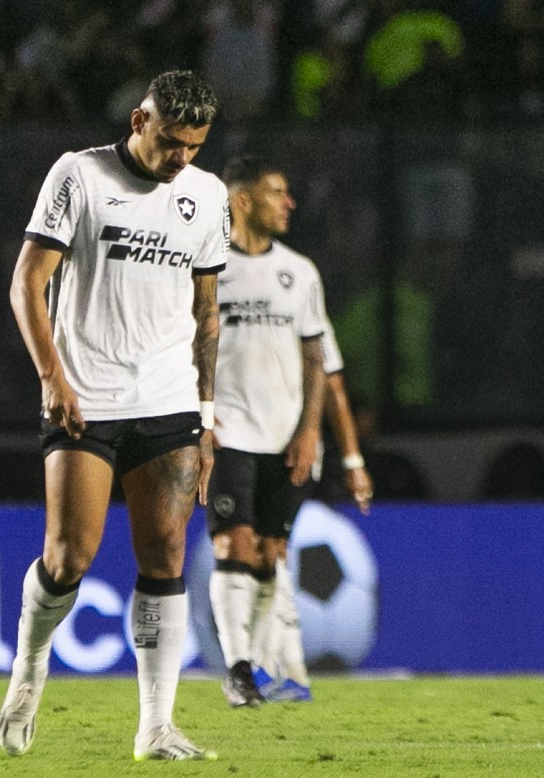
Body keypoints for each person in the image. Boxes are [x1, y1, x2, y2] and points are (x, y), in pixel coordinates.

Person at [0, 70, 229, 762]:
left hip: (167, 399)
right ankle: (29, 669)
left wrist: (207, 415)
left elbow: (207, 313)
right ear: (139, 121)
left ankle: (156, 726)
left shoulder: (207, 195)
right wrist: (51, 377)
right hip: (86, 396)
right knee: (70, 555)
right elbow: (27, 282)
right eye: (171, 142)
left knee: (165, 554)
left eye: (194, 146)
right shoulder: (80, 176)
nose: (182, 158)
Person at [205, 155, 328, 709]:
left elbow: (315, 360)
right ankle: (235, 670)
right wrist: (200, 419)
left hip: (286, 436)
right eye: (277, 192)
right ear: (243, 201)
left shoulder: (300, 272)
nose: (290, 204)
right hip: (230, 431)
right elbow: (187, 346)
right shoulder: (206, 268)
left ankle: (255, 664)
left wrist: (309, 433)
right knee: (235, 542)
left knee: (269, 554)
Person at [249, 316, 373, 704]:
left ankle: (275, 668)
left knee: (270, 550)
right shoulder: (226, 292)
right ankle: (280, 670)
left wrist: (353, 461)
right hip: (241, 445)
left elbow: (333, 384)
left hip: (289, 451)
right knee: (262, 553)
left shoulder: (299, 293)